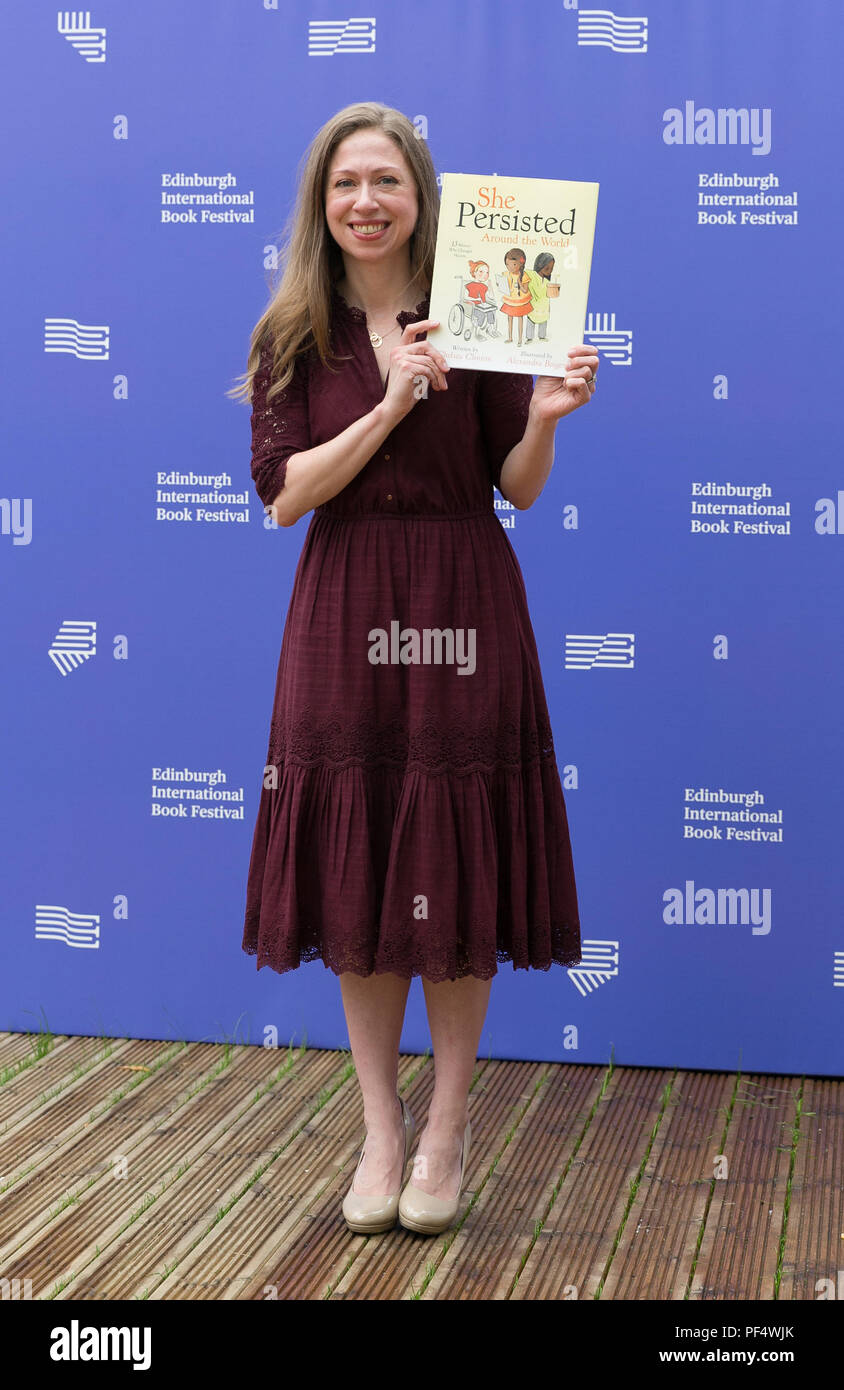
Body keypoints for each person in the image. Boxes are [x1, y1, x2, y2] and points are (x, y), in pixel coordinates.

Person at [229, 101, 598, 1237]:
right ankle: (378, 1127)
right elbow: (285, 495)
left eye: (386, 180)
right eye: (346, 183)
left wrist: (541, 419)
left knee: (452, 854)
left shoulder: (484, 308)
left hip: (462, 601)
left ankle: (445, 1128)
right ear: (321, 204)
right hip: (343, 608)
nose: (366, 202)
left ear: (419, 197)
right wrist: (390, 404)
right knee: (363, 859)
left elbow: (516, 486)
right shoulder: (293, 330)